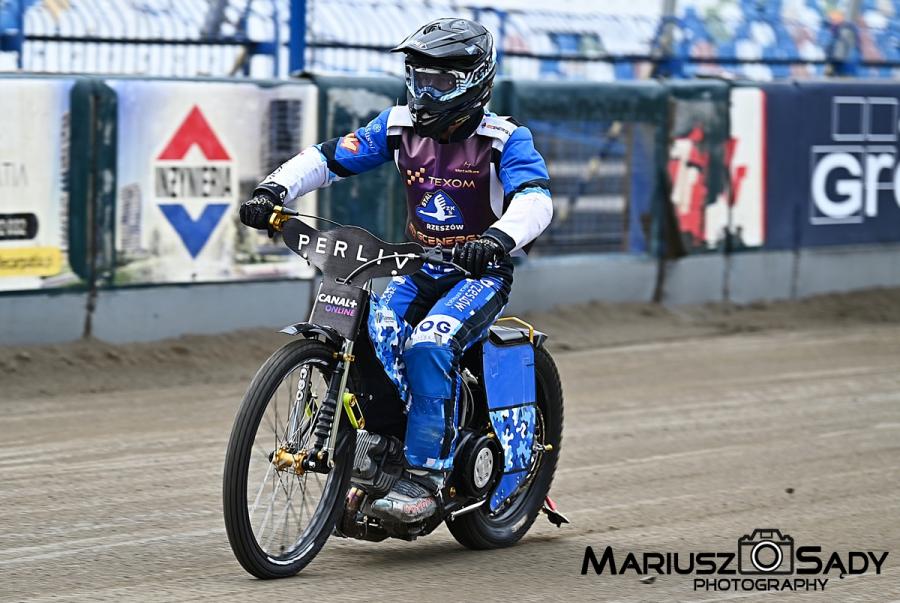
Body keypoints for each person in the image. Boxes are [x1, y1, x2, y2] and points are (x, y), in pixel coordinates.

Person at [239, 18, 552, 523]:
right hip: (421, 266)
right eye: (419, 78)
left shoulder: (505, 139)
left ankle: (425, 476)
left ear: (476, 81)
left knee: (428, 344)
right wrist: (273, 190)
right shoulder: (396, 126)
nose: (425, 92)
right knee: (374, 336)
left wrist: (495, 239)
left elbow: (536, 200)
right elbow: (328, 159)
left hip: (481, 275)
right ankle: (380, 458)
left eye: (441, 81)